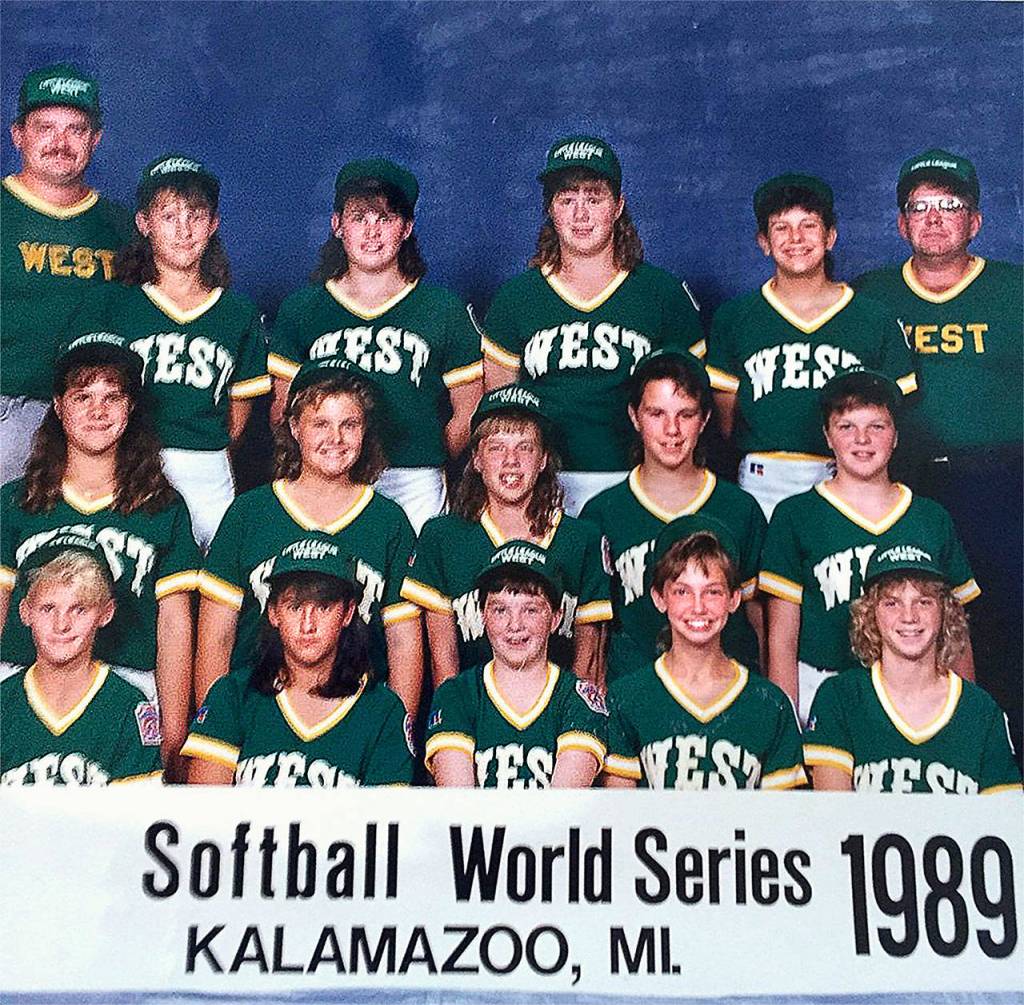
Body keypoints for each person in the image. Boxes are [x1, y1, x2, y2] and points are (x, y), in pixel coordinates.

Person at [854, 147, 1023, 762]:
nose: (933, 218)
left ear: (975, 221)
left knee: (1005, 627)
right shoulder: (869, 296)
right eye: (918, 207)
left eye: (948, 206)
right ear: (901, 224)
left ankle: (1004, 772)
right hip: (906, 486)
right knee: (908, 625)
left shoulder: (1014, 291)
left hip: (1003, 484)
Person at [0, 333, 199, 777]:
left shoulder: (161, 507)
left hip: (129, 684)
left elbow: (173, 625)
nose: (97, 410)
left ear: (131, 408)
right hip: (22, 682)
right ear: (57, 404)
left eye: (113, 396)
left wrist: (172, 728)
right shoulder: (17, 502)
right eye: (82, 395)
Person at [481, 134, 704, 516]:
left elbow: (692, 408)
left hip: (636, 485)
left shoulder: (662, 295)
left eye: (594, 198)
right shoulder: (516, 299)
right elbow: (504, 414)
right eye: (567, 199)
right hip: (542, 486)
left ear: (618, 206)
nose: (580, 214)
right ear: (550, 209)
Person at [196, 358, 422, 716]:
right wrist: (216, 720)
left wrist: (397, 731)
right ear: (295, 428)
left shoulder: (388, 521)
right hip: (257, 710)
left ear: (366, 430)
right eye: (320, 424)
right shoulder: (249, 512)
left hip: (354, 717)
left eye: (349, 424)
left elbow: (403, 643)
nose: (336, 438)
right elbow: (216, 636)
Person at [268, 157, 482, 532]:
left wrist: (426, 452)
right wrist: (324, 467)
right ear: (337, 225)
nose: (372, 232)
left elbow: (468, 410)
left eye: (385, 219)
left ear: (406, 228)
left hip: (412, 478)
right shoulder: (303, 309)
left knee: (412, 586)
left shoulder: (442, 309)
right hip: (327, 476)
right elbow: (283, 411)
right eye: (359, 218)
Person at [759, 368, 978, 725]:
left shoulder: (929, 517)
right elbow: (782, 641)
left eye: (877, 426)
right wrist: (785, 726)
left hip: (917, 688)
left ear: (895, 436)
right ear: (827, 436)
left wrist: (967, 715)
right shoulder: (796, 515)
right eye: (846, 427)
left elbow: (957, 632)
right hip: (823, 683)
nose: (862, 439)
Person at [705, 173, 918, 519]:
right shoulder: (736, 316)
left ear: (830, 236)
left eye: (808, 225)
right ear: (763, 241)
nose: (795, 239)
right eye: (781, 227)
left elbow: (895, 418)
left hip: (848, 476)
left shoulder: (872, 317)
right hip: (762, 481)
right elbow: (726, 424)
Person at [97, 153, 269, 550]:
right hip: (130, 463)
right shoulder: (114, 306)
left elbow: (236, 423)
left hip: (208, 469)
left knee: (212, 581)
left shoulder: (237, 313)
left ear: (213, 225)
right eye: (169, 216)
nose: (184, 229)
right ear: (144, 224)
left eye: (195, 215)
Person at [402, 385, 611, 687]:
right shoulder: (442, 537)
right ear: (476, 460)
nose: (511, 461)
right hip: (475, 716)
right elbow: (443, 663)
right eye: (497, 448)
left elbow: (589, 662)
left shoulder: (581, 539)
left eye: (525, 447)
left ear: (543, 460)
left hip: (559, 718)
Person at [580, 349, 766, 683]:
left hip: (719, 693)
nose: (672, 430)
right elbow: (595, 632)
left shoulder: (739, 509)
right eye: (656, 414)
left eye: (686, 414)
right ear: (634, 417)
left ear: (705, 419)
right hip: (632, 697)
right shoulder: (603, 512)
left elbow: (756, 620)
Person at [183, 535, 414, 787]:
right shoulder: (232, 696)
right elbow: (207, 817)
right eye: (294, 607)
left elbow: (385, 822)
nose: (307, 625)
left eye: (323, 607)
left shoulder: (383, 711)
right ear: (273, 612)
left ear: (348, 613)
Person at [2, 63, 129, 485]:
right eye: (45, 128)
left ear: (96, 139)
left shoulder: (123, 227)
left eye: (75, 129)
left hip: (96, 418)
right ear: (18, 134)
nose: (60, 142)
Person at [804, 547, 1020, 794]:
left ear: (944, 611)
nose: (909, 616)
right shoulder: (841, 698)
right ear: (871, 614)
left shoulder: (980, 711)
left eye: (924, 602)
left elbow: (1004, 821)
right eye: (892, 603)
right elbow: (832, 819)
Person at [602, 527, 806, 790]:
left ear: (734, 599)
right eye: (682, 592)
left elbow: (784, 820)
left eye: (713, 592)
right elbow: (619, 817)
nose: (698, 607)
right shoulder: (627, 699)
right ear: (659, 598)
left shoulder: (770, 705)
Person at [425, 542, 608, 788]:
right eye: (500, 610)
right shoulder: (456, 694)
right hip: (478, 827)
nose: (515, 625)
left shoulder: (577, 698)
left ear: (556, 617)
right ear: (482, 615)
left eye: (531, 610)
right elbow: (459, 806)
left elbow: (566, 808)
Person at [1, 535, 163, 786]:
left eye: (79, 609)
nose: (62, 625)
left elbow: (137, 818)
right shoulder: (4, 704)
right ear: (25, 612)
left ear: (106, 613)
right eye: (47, 608)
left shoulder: (127, 708)